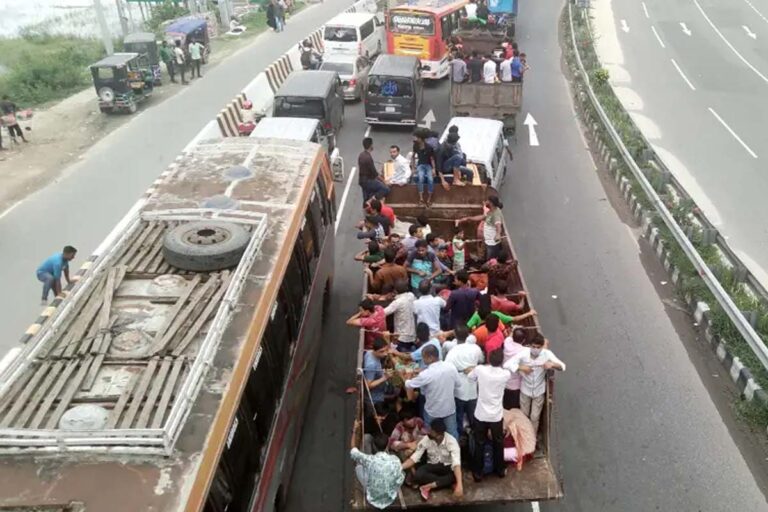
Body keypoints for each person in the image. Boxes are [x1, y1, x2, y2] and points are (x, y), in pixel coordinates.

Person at [505, 333, 566, 435]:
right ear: (530, 346)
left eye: (538, 347)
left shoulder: (547, 354)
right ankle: (524, 435)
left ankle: (532, 436)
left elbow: (562, 366)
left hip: (539, 391)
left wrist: (552, 364)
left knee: (535, 417)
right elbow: (507, 364)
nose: (535, 349)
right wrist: (521, 368)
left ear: (542, 347)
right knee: (524, 415)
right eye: (533, 347)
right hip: (525, 390)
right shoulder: (523, 353)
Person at [468, 348, 511, 481]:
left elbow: (470, 377)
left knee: (479, 443)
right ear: (501, 361)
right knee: (498, 442)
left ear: (488, 359)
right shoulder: (505, 374)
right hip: (496, 416)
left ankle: (478, 473)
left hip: (481, 414)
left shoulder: (480, 370)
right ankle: (500, 470)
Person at [403, 345, 461, 439]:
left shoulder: (426, 374)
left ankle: (432, 447)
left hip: (433, 411)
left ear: (430, 357)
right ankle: (454, 448)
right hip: (449, 408)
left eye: (424, 357)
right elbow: (458, 384)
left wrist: (408, 376)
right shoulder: (451, 367)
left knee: (430, 434)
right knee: (452, 433)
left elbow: (409, 384)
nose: (423, 360)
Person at [401, 418, 463, 501]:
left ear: (439, 435)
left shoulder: (452, 442)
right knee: (418, 475)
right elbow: (414, 458)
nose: (429, 432)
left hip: (447, 467)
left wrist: (460, 486)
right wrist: (399, 467)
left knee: (456, 476)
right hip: (432, 465)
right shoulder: (426, 439)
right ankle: (444, 483)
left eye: (431, 431)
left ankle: (428, 486)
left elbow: (456, 464)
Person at [350, 432, 405, 510]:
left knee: (359, 466)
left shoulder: (369, 460)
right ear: (387, 446)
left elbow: (353, 450)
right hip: (389, 499)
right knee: (400, 473)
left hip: (372, 499)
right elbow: (400, 479)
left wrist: (354, 431)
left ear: (373, 446)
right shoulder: (395, 460)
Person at [444, 325, 484, 433]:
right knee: (473, 417)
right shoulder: (475, 348)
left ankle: (461, 436)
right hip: (472, 389)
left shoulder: (452, 352)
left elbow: (447, 369)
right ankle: (475, 436)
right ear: (467, 335)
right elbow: (481, 360)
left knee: (459, 417)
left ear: (455, 336)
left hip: (458, 390)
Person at [457, 196, 504, 260]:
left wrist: (498, 234)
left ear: (491, 203)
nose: (486, 202)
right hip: (487, 239)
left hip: (492, 243)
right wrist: (468, 218)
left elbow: (498, 225)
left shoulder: (496, 214)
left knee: (490, 258)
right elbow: (482, 217)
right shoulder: (490, 211)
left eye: (487, 201)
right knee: (485, 252)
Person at [384, 280, 417, 350]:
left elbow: (384, 313)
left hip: (401, 337)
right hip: (412, 334)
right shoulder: (411, 295)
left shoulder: (397, 303)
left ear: (395, 291)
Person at [359, 137, 389, 205]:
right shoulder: (368, 158)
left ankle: (366, 204)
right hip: (368, 181)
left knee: (366, 196)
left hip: (362, 181)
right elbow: (375, 174)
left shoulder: (361, 155)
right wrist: (384, 181)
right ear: (371, 145)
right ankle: (370, 201)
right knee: (385, 189)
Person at [502, 326, 527, 409]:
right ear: (524, 340)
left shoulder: (507, 343)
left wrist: (514, 329)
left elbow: (509, 336)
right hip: (516, 386)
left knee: (505, 407)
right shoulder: (523, 351)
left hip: (505, 382)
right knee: (514, 409)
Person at [412, 131, 436, 207]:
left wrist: (434, 169)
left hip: (428, 165)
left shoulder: (429, 147)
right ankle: (421, 199)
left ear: (420, 138)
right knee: (420, 178)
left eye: (417, 137)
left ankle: (429, 199)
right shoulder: (416, 146)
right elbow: (413, 157)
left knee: (430, 180)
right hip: (420, 165)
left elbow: (432, 159)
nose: (415, 139)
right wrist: (413, 167)